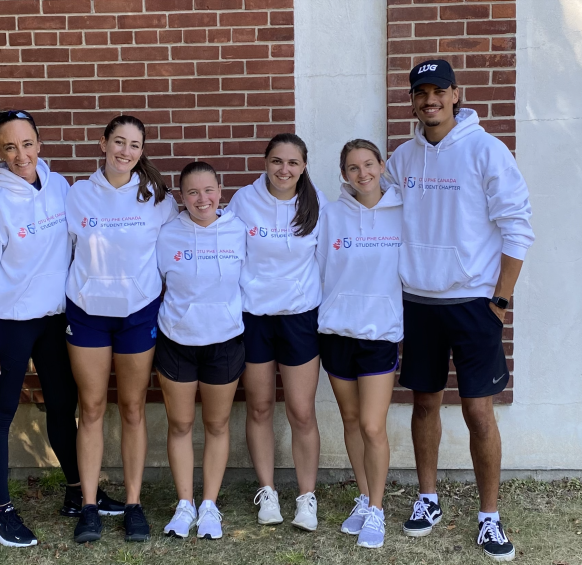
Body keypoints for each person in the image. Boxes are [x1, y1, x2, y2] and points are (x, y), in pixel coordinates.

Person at [386, 59, 534, 562]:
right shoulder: (401, 158)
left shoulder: (487, 151)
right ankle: (428, 499)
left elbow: (517, 225)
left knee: (478, 410)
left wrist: (500, 300)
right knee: (425, 404)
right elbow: (379, 219)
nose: (430, 99)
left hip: (473, 304)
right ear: (412, 100)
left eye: (439, 90)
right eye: (420, 91)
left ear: (455, 95)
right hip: (419, 303)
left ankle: (489, 517)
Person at [0, 110, 123, 548]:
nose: (21, 155)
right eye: (10, 147)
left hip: (56, 321)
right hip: (10, 326)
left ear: (40, 143)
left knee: (62, 408)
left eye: (28, 144)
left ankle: (78, 492)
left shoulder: (59, 187)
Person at [65, 115, 178, 544]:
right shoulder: (76, 196)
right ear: (103, 143)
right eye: (118, 142)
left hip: (137, 315)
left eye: (134, 145)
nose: (125, 151)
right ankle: (89, 506)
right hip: (88, 314)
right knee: (91, 408)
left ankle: (133, 504)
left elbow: (174, 254)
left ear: (142, 151)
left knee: (132, 409)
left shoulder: (157, 199)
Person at [226, 133, 325, 532]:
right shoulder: (244, 202)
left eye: (293, 163)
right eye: (276, 161)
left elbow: (327, 261)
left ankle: (306, 497)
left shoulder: (316, 207)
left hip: (300, 317)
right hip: (255, 318)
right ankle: (267, 491)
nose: (284, 170)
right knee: (261, 407)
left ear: (303, 166)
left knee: (302, 410)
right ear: (265, 162)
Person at [317, 139, 403, 549]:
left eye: (369, 164)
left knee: (372, 425)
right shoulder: (331, 215)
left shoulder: (403, 211)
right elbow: (316, 269)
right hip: (336, 333)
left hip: (380, 334)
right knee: (351, 422)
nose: (362, 173)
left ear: (382, 165)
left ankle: (378, 509)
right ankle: (364, 497)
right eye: (353, 167)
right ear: (343, 174)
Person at [155, 162, 247, 540]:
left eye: (208, 190)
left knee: (217, 424)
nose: (201, 199)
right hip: (177, 341)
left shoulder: (239, 231)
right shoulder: (167, 235)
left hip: (224, 340)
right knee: (180, 425)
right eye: (192, 192)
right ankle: (184, 504)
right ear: (181, 196)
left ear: (220, 190)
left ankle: (209, 505)